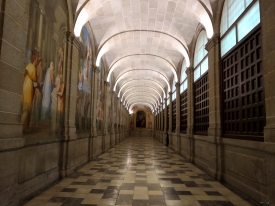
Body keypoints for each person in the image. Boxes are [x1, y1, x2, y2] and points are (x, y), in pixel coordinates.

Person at [21, 50, 37, 129]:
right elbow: (34, 77)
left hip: (25, 86)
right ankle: (21, 126)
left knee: (25, 108)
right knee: (26, 109)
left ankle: (24, 125)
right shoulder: (31, 66)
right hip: (28, 87)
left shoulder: (28, 66)